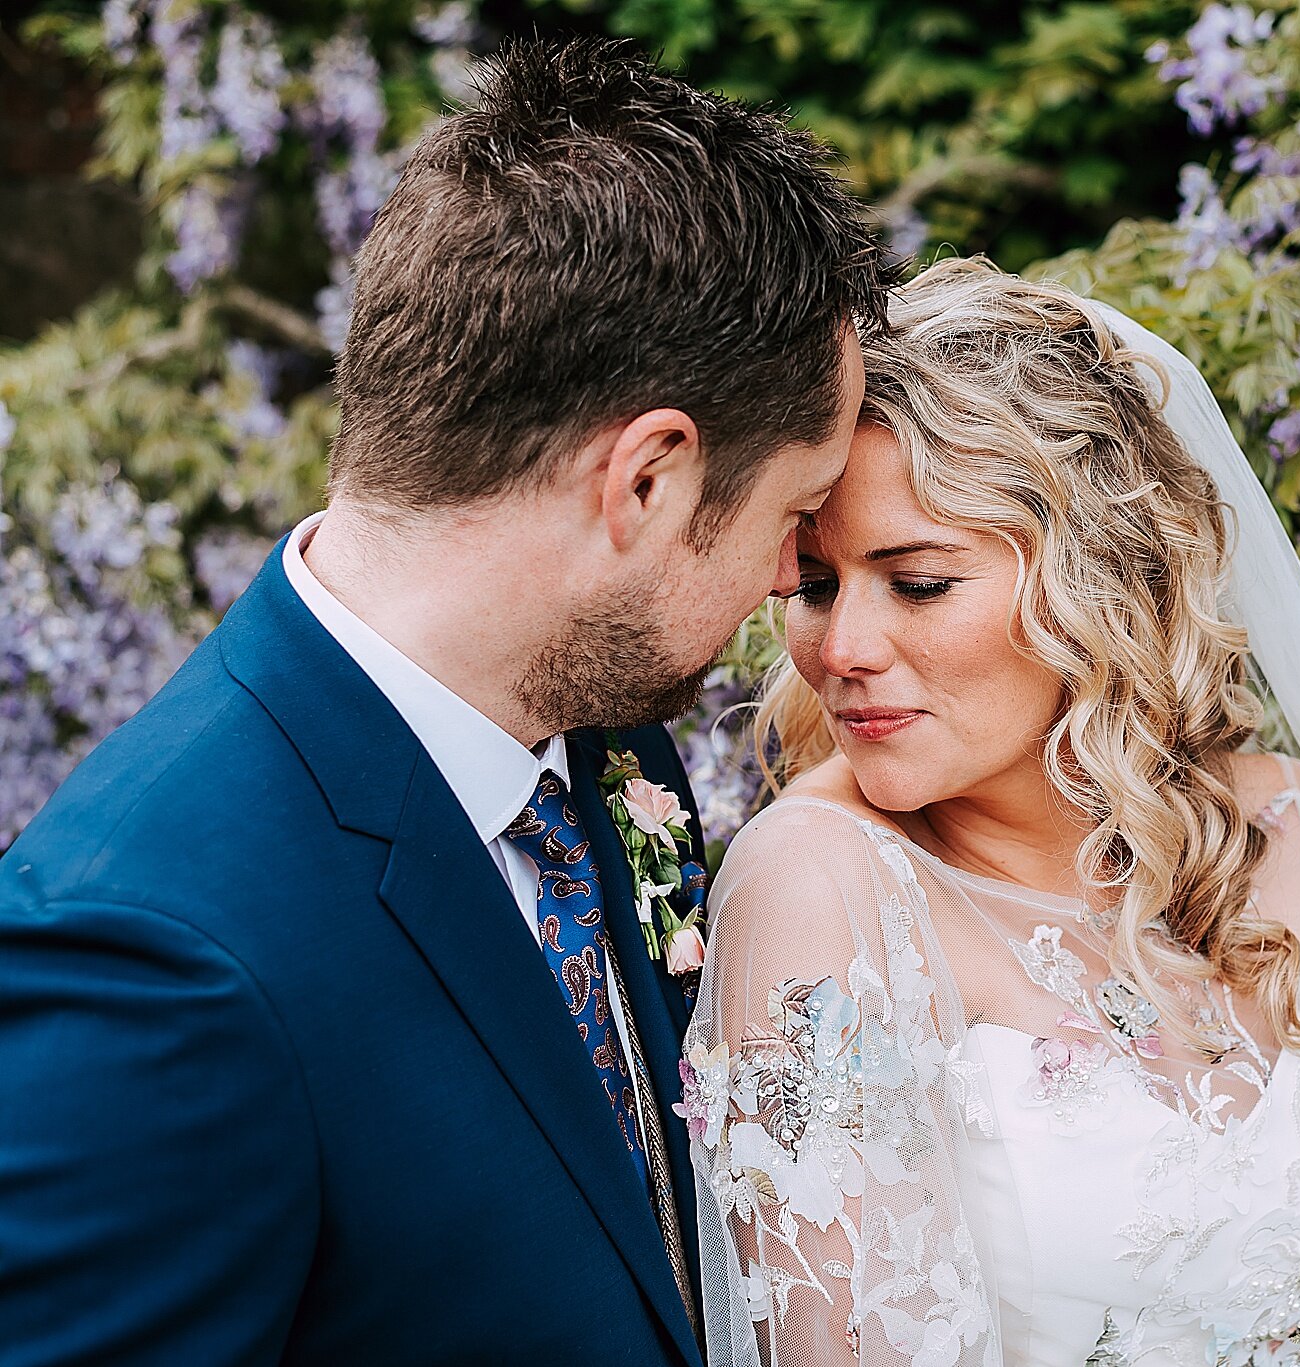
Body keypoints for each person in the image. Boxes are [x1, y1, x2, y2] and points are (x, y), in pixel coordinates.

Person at [0, 39, 887, 1366]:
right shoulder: (156, 953)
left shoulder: (605, 728)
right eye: (795, 514)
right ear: (643, 480)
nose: (784, 580)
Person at [682, 257, 1300, 1367]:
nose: (840, 650)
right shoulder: (818, 887)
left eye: (919, 581)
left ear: (1091, 578)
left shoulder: (1298, 826)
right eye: (812, 585)